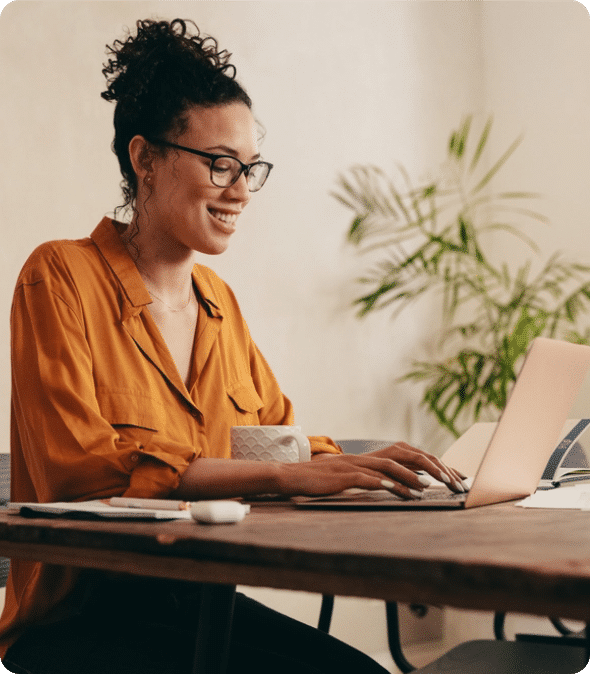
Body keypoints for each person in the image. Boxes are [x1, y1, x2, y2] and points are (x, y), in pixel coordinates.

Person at [0, 18, 465, 674]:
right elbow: (83, 472)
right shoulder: (58, 276)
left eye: (250, 168)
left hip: (197, 602)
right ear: (145, 159)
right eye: (221, 164)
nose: (241, 189)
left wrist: (364, 466)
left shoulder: (218, 302)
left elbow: (275, 438)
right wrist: (284, 474)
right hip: (80, 621)